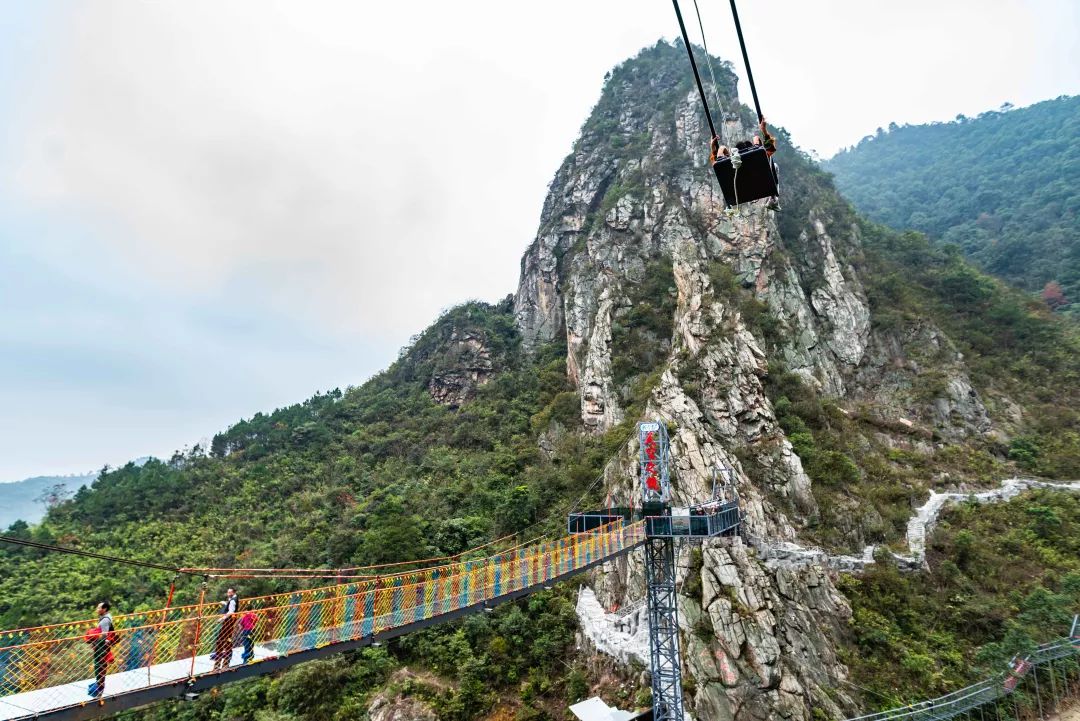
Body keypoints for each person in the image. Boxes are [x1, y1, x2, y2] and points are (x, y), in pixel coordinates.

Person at [84, 601, 115, 698]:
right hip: (102, 646)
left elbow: (104, 635)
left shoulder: (105, 620)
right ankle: (99, 686)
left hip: (102, 647)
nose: (97, 610)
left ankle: (99, 688)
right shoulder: (106, 617)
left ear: (104, 609)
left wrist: (93, 640)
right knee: (100, 666)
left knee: (100, 666)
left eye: (99, 608)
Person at [211, 587, 239, 670]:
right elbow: (230, 606)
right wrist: (225, 603)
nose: (228, 594)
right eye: (228, 592)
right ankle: (226, 656)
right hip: (231, 621)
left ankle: (220, 657)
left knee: (221, 639)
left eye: (229, 592)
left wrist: (222, 618)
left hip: (228, 621)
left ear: (233, 593)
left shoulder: (233, 600)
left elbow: (231, 611)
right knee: (227, 638)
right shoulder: (233, 599)